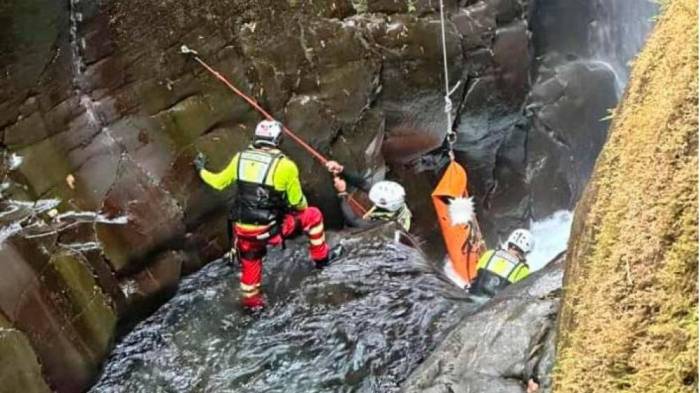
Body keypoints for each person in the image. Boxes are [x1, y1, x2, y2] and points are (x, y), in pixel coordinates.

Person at [194, 120, 341, 310]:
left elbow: (218, 182)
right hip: (272, 230)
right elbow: (298, 203)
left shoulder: (240, 158)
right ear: (278, 140)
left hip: (243, 230)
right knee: (313, 215)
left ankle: (252, 303)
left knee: (251, 260)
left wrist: (201, 169)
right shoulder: (286, 167)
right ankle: (322, 260)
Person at [325, 160, 412, 231]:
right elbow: (363, 184)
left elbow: (355, 221)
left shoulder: (385, 224)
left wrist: (342, 194)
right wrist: (341, 169)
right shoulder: (395, 199)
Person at [469, 228, 534, 297]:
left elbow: (474, 274)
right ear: (526, 252)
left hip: (472, 296)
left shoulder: (489, 254)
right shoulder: (523, 270)